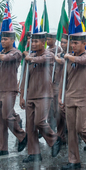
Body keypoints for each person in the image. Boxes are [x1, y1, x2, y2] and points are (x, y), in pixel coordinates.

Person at [59, 32, 86, 170]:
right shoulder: (69, 59)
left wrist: (68, 57)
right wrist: (61, 97)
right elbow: (63, 80)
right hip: (70, 97)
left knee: (81, 127)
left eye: (76, 43)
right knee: (71, 130)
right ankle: (74, 160)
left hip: (83, 97)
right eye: (72, 43)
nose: (73, 45)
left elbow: (82, 61)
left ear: (84, 44)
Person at [20, 32, 61, 162]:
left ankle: (54, 140)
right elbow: (25, 78)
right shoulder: (30, 57)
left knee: (40, 121)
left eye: (37, 42)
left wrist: (30, 58)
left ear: (43, 42)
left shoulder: (49, 55)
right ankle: (34, 153)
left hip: (44, 95)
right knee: (30, 126)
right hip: (31, 94)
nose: (34, 44)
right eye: (32, 42)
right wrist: (22, 95)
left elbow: (42, 59)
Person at [0, 31, 27, 157]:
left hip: (10, 89)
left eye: (5, 39)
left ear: (12, 40)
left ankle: (22, 135)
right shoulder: (0, 54)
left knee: (7, 116)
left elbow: (6, 58)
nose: (2, 42)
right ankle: (2, 147)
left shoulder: (16, 53)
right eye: (1, 39)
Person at [53, 34, 68, 144]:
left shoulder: (71, 55)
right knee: (57, 113)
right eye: (61, 42)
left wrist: (57, 59)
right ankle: (60, 136)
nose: (62, 44)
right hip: (58, 86)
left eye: (65, 42)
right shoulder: (58, 55)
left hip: (68, 88)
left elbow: (65, 62)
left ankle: (72, 134)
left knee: (66, 113)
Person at [47, 32, 62, 130]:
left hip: (57, 81)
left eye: (49, 39)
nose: (47, 41)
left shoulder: (57, 49)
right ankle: (51, 128)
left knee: (57, 109)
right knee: (50, 108)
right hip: (49, 83)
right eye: (46, 39)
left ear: (55, 40)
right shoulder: (47, 50)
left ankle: (59, 130)